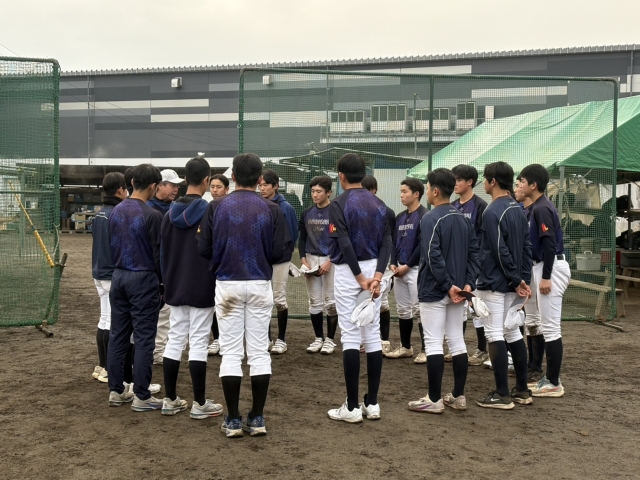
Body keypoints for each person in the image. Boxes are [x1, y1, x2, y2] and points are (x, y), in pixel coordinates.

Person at [198, 153, 289, 437]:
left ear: (233, 176)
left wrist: (222, 259)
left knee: (231, 352)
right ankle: (257, 417)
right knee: (259, 351)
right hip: (260, 282)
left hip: (228, 283)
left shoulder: (216, 206)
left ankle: (234, 419)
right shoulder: (272, 208)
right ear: (260, 178)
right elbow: (280, 251)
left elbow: (203, 247)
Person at [408, 168, 480, 414]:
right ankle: (458, 396)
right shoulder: (463, 218)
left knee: (433, 342)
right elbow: (475, 254)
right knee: (457, 340)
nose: (427, 191)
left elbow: (432, 255)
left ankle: (434, 399)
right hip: (458, 290)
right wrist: (467, 284)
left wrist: (448, 285)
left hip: (437, 289)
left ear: (435, 190)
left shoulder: (430, 218)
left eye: (428, 187)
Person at [327, 154, 392, 423]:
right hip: (375, 269)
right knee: (372, 334)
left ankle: (352, 407)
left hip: (348, 272)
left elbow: (344, 242)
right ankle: (372, 403)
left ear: (341, 175)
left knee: (351, 335)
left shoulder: (338, 203)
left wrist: (359, 277)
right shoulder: (379, 203)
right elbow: (387, 242)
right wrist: (376, 276)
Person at [160, 157, 224, 419]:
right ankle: (199, 403)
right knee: (198, 341)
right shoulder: (210, 210)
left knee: (175, 338)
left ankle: (170, 399)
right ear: (207, 180)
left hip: (175, 282)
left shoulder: (168, 213)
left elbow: (162, 253)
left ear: (185, 179)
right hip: (201, 283)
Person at [475, 162, 533, 409]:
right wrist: (523, 279)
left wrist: (516, 279)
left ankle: (502, 394)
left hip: (495, 281)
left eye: (485, 179)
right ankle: (522, 390)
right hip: (512, 281)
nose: (484, 183)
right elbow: (527, 247)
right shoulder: (518, 208)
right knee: (512, 332)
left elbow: (499, 250)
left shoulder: (492, 211)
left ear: (493, 181)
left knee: (494, 333)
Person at [107, 164, 164, 411]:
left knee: (118, 335)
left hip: (118, 275)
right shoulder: (153, 215)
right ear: (153, 186)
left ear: (131, 183)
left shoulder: (116, 211)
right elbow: (158, 255)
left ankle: (116, 390)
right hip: (143, 278)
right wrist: (163, 283)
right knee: (143, 339)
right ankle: (142, 395)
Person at [519, 164, 570, 398]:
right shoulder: (537, 206)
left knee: (550, 327)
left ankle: (553, 382)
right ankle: (548, 379)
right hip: (542, 266)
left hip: (551, 267)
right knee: (544, 325)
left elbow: (550, 243)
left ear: (534, 185)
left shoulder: (541, 207)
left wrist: (547, 276)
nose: (520, 185)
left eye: (523, 181)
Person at [386, 178, 428, 363]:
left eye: (405, 191)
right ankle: (405, 347)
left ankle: (426, 349)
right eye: (401, 191)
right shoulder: (400, 217)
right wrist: (393, 262)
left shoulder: (424, 215)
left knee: (420, 309)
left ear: (416, 194)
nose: (401, 195)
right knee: (403, 310)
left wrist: (408, 265)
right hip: (399, 269)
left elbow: (422, 244)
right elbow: (394, 242)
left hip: (415, 269)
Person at [451, 164, 488, 366]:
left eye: (458, 180)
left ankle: (482, 350)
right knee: (458, 306)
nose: (455, 184)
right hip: (456, 265)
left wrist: (476, 264)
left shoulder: (481, 206)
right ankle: (459, 349)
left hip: (475, 266)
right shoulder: (452, 206)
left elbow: (483, 238)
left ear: (470, 182)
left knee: (476, 307)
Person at [91, 172, 127, 383]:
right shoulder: (117, 213)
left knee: (105, 318)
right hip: (111, 273)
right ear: (120, 190)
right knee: (113, 321)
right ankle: (108, 368)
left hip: (98, 271)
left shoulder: (100, 213)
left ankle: (102, 366)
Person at [148, 169, 186, 365]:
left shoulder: (175, 208)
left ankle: (159, 351)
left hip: (170, 268)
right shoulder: (148, 208)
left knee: (167, 314)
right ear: (159, 186)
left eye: (178, 186)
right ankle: (152, 352)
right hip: (150, 270)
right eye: (172, 185)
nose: (176, 189)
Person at [259, 169, 298, 355]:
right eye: (260, 185)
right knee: (263, 300)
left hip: (280, 260)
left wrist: (286, 256)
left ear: (276, 186)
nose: (262, 188)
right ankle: (266, 338)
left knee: (279, 299)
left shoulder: (285, 207)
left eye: (266, 184)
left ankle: (281, 340)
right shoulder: (259, 204)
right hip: (262, 259)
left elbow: (292, 235)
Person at [299, 175, 338, 355]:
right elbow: (302, 238)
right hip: (311, 259)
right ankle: (318, 338)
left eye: (319, 191)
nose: (315, 195)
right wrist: (303, 260)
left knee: (331, 302)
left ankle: (330, 340)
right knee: (314, 301)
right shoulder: (307, 213)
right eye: (313, 191)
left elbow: (340, 239)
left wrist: (331, 261)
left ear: (329, 192)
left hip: (331, 259)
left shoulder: (335, 212)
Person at [360, 175, 396, 355]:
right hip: (362, 260)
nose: (365, 194)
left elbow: (390, 240)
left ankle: (384, 339)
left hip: (381, 260)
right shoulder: (354, 210)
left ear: (374, 190)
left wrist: (390, 263)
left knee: (382, 303)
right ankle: (362, 339)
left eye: (368, 190)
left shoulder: (386, 211)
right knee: (361, 299)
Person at [515, 177, 544, 384]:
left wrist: (547, 275)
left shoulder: (538, 209)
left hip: (539, 266)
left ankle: (537, 366)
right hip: (527, 268)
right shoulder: (523, 211)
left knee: (537, 320)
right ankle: (531, 364)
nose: (517, 189)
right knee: (530, 319)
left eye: (519, 185)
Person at [207, 173, 230, 357]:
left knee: (229, 304)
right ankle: (217, 338)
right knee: (215, 303)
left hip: (229, 264)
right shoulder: (209, 207)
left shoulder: (229, 207)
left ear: (227, 189)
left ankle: (227, 339)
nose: (215, 190)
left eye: (219, 187)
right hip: (213, 263)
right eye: (212, 187)